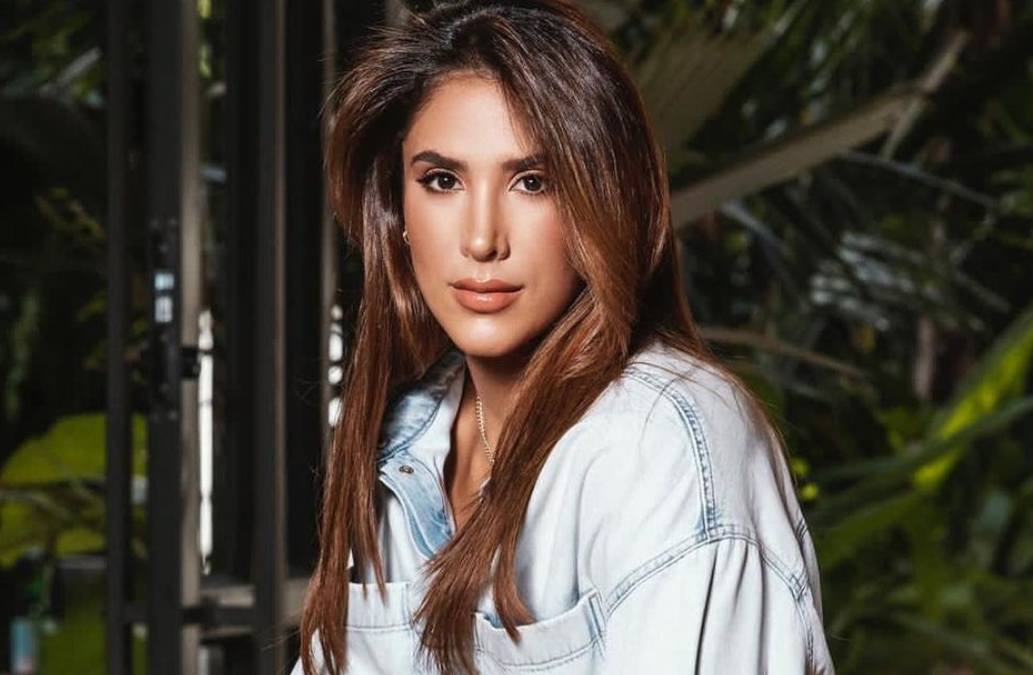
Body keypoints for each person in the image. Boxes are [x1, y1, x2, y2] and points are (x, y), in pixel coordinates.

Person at [296, 1, 834, 673]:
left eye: (533, 182)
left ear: (601, 202)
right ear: (396, 210)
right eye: (442, 180)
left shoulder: (659, 445)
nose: (482, 239)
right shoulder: (410, 439)